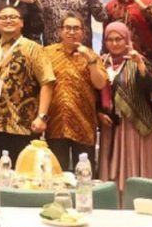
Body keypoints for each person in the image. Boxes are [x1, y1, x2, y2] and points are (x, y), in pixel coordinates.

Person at [0, 5, 55, 165]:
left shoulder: (34, 48)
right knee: (3, 169)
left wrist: (42, 117)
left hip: (26, 123)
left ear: (22, 23)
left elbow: (47, 82)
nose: (8, 20)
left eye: (13, 17)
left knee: (25, 170)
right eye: (3, 17)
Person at [97, 22, 152, 192]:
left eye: (119, 39)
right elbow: (94, 93)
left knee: (134, 163)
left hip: (134, 124)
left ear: (127, 40)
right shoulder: (101, 62)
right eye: (110, 39)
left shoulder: (138, 60)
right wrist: (99, 113)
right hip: (110, 124)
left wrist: (140, 65)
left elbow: (151, 89)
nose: (114, 43)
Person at [45, 14, 107, 172]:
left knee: (85, 173)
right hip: (56, 123)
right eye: (68, 28)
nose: (71, 32)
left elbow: (100, 84)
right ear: (60, 31)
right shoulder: (48, 53)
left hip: (84, 123)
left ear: (83, 32)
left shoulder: (91, 55)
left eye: (76, 28)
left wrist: (90, 59)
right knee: (57, 172)